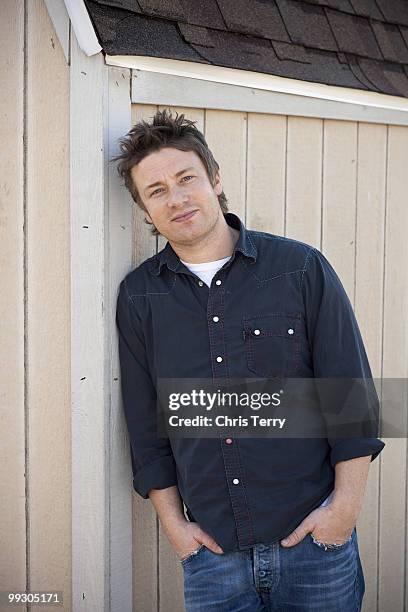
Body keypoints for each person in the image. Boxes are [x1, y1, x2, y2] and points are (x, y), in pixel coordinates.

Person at [114, 109, 385, 611]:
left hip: (314, 545)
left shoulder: (299, 269)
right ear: (144, 209)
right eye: (156, 191)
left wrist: (342, 513)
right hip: (212, 557)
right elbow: (145, 426)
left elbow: (351, 400)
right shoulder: (139, 297)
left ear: (215, 180)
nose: (175, 198)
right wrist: (176, 529)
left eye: (185, 178)